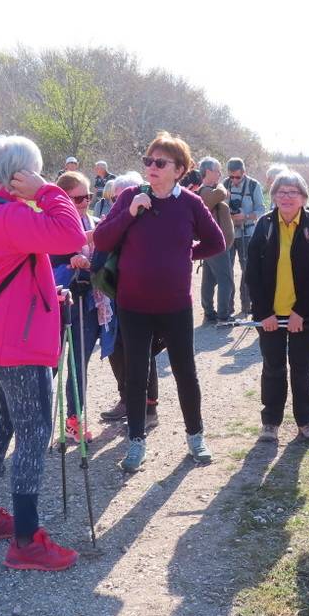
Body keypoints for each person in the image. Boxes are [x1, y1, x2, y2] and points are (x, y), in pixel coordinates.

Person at [0, 134, 86, 571]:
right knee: (32, 435)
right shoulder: (11, 213)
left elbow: (17, 266)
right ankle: (27, 540)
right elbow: (70, 236)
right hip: (17, 347)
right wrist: (48, 192)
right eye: (35, 171)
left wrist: (51, 289)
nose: (40, 178)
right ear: (20, 174)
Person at [94, 132, 225, 473]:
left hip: (175, 304)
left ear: (178, 170)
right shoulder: (128, 198)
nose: (151, 167)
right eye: (148, 161)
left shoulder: (190, 204)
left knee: (185, 372)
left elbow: (217, 241)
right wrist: (130, 213)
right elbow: (103, 239)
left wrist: (185, 255)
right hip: (133, 304)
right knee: (135, 375)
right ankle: (136, 441)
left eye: (159, 162)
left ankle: (195, 436)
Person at [246, 166, 309, 443]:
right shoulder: (265, 225)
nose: (287, 197)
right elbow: (252, 275)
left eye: (293, 192)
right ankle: (270, 423)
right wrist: (264, 313)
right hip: (271, 315)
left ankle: (306, 421)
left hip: (303, 316)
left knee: (302, 369)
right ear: (274, 196)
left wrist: (299, 313)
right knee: (273, 368)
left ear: (303, 197)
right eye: (281, 192)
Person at [96, 171, 164, 428]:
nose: (117, 204)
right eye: (114, 199)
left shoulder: (149, 219)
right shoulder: (118, 217)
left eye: (120, 199)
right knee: (116, 346)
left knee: (144, 350)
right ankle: (126, 399)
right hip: (116, 292)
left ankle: (149, 408)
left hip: (144, 295)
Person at [50, 170, 102, 443]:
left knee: (79, 365)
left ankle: (74, 420)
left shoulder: (91, 220)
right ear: (64, 199)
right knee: (51, 365)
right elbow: (47, 253)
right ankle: (35, 420)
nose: (85, 202)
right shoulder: (51, 223)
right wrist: (69, 256)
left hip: (87, 301)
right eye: (79, 198)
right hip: (57, 302)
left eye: (89, 196)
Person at [224, 157, 266, 317]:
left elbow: (261, 210)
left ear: (244, 173)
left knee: (247, 270)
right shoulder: (224, 184)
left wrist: (246, 216)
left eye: (237, 177)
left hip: (247, 234)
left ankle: (247, 305)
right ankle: (227, 307)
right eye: (231, 177)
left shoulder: (254, 185)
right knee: (226, 271)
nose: (234, 180)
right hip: (229, 233)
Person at [196, 156, 235, 323]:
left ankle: (210, 313)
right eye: (218, 171)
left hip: (214, 244)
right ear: (208, 172)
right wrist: (222, 188)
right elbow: (220, 193)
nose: (220, 174)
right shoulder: (206, 192)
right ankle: (223, 316)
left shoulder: (207, 191)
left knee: (209, 279)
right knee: (226, 280)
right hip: (215, 245)